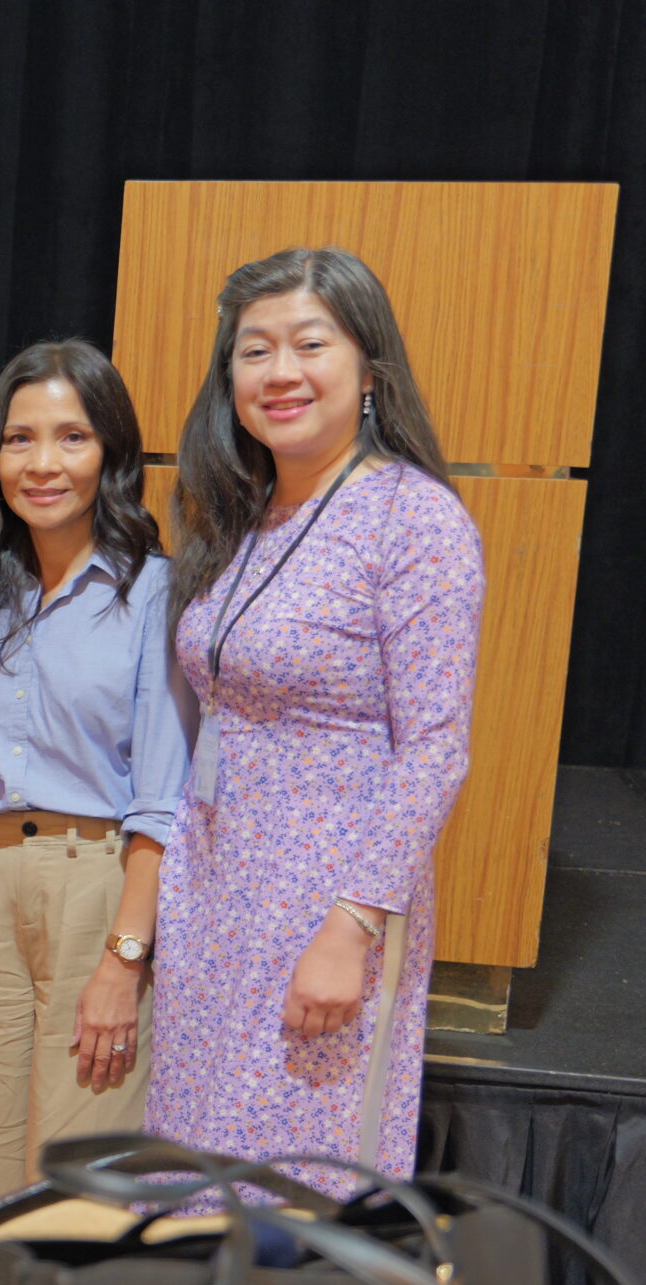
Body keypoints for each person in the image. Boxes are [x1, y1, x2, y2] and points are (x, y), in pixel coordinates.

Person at [148, 247, 483, 1177]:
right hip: (215, 891)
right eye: (254, 352)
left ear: (369, 370)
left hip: (327, 905)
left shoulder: (411, 521)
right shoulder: (243, 518)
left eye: (309, 344)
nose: (280, 373)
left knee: (295, 1182)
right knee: (195, 1169)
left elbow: (435, 751)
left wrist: (351, 926)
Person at [0, 339, 190, 1217]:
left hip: (98, 885)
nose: (43, 463)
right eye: (20, 440)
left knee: (79, 1171)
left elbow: (164, 794)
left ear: (112, 455)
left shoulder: (158, 594)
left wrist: (126, 956)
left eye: (72, 438)